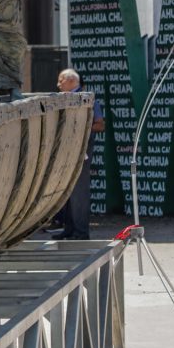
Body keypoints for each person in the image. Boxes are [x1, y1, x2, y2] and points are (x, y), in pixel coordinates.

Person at [53, 69, 104, 240]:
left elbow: (99, 125)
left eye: (61, 81)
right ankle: (69, 229)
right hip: (66, 151)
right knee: (66, 191)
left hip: (81, 152)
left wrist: (79, 130)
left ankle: (81, 232)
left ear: (71, 81)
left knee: (78, 192)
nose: (58, 85)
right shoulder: (62, 99)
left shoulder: (87, 99)